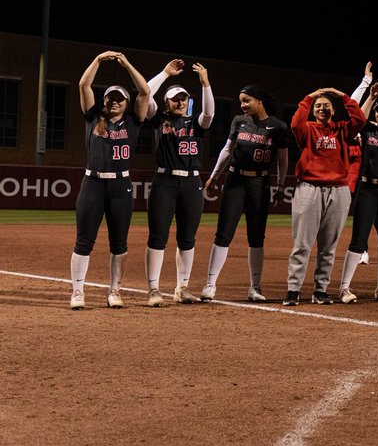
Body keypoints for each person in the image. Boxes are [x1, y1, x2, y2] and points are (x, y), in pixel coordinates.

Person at [69, 51, 152, 309]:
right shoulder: (94, 117)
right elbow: (84, 85)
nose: (115, 102)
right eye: (111, 98)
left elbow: (145, 92)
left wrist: (126, 64)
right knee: (84, 240)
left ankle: (115, 291)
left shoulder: (133, 121)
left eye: (119, 99)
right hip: (92, 183)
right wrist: (97, 60)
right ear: (104, 101)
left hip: (120, 185)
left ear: (126, 103)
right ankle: (78, 292)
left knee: (119, 241)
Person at [200, 85, 289, 302]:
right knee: (223, 233)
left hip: (259, 182)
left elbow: (283, 159)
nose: (243, 105)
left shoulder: (278, 127)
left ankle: (255, 288)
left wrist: (280, 185)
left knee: (256, 236)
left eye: (247, 100)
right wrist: (214, 176)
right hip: (235, 179)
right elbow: (227, 150)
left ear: (259, 101)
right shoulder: (239, 121)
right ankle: (210, 284)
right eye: (241, 101)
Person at [284, 86, 366, 305]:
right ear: (313, 110)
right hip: (309, 188)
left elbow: (359, 119)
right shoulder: (307, 129)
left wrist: (342, 97)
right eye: (318, 106)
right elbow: (295, 122)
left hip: (338, 189)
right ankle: (294, 289)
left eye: (327, 106)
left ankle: (320, 290)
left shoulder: (342, 130)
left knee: (328, 246)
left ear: (334, 110)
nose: (322, 108)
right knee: (302, 244)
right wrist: (310, 97)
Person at [143, 59, 214, 307]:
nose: (180, 102)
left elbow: (209, 113)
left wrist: (205, 84)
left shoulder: (197, 123)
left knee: (187, 238)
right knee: (158, 236)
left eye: (183, 98)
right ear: (167, 102)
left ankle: (182, 287)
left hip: (192, 183)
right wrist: (164, 73)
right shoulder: (158, 119)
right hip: (164, 180)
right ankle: (153, 289)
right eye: (175, 98)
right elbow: (145, 92)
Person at [335, 77, 378, 303]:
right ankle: (344, 288)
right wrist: (371, 95)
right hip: (368, 189)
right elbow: (355, 115)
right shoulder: (367, 131)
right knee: (358, 238)